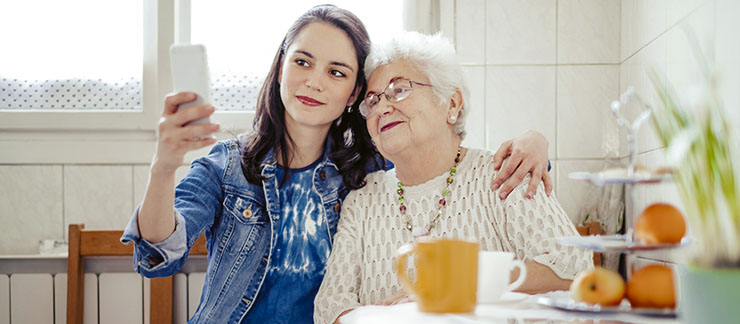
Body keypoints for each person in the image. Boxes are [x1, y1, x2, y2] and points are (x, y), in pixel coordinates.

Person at [121, 5, 551, 324]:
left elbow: (443, 155)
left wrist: (535, 141)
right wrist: (164, 165)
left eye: (337, 72)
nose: (314, 81)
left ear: (353, 96)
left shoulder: (369, 171)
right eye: (303, 62)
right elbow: (158, 255)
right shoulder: (228, 166)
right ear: (280, 71)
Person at [313, 31, 594, 324]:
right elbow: (330, 307)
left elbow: (574, 265)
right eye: (372, 100)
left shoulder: (505, 172)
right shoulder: (362, 201)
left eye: (399, 90)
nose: (382, 107)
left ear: (451, 104)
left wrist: (462, 285)